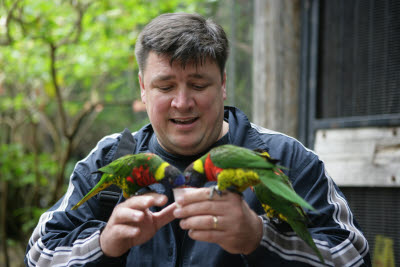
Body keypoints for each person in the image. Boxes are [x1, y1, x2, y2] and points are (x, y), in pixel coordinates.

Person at [25, 13, 371, 266]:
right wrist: (106, 242)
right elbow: (39, 254)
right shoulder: (112, 158)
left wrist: (261, 238)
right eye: (165, 86)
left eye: (198, 85)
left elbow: (354, 256)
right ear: (143, 88)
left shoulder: (283, 157)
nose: (182, 102)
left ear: (222, 84)